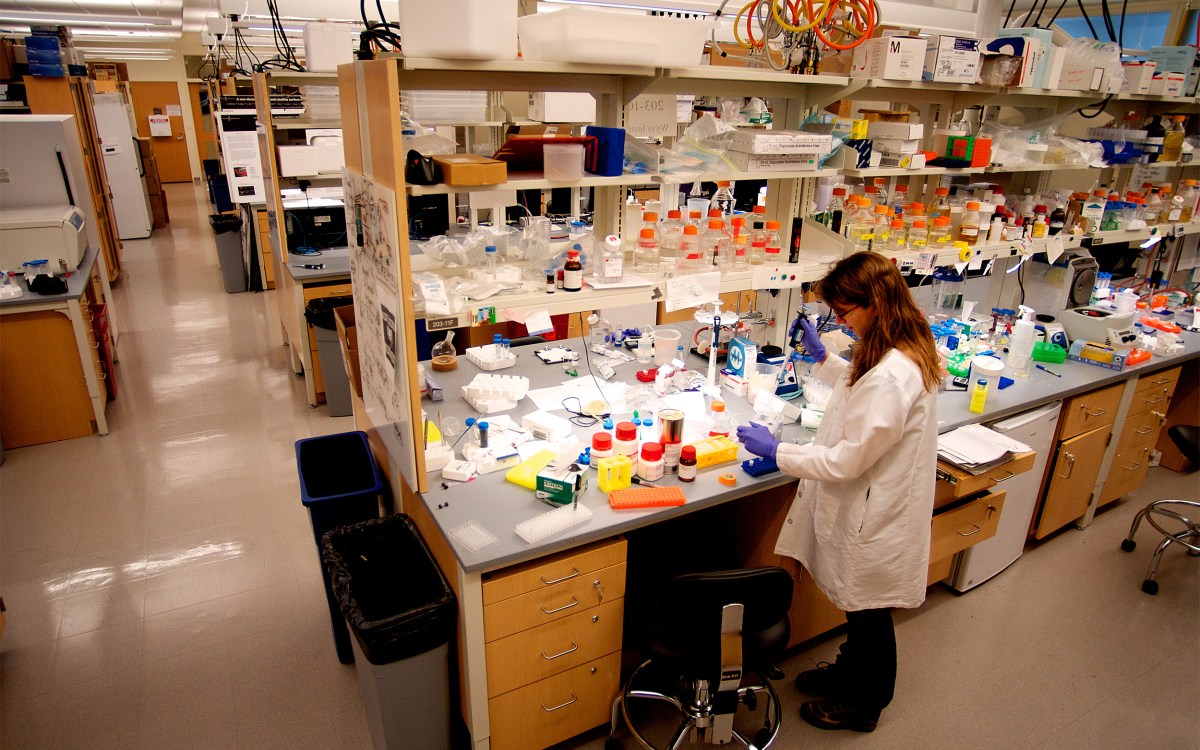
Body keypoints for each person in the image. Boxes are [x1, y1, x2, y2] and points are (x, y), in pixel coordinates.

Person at [736, 251, 942, 733]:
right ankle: (850, 673)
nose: (842, 322)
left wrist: (780, 451)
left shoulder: (894, 372)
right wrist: (825, 358)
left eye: (845, 313)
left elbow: (847, 458)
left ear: (874, 303)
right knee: (860, 609)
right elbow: (861, 390)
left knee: (870, 615)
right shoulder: (896, 344)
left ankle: (865, 703)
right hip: (876, 501)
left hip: (876, 512)